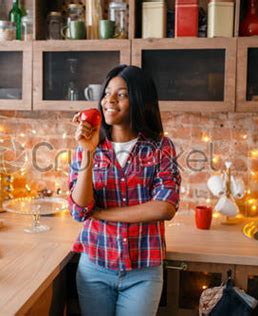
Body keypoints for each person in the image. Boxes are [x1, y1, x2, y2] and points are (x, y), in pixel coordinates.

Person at [68, 65, 181, 316]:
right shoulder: (89, 145)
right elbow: (79, 210)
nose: (110, 100)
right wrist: (87, 151)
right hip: (94, 268)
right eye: (107, 92)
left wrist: (102, 213)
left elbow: (165, 207)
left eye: (122, 94)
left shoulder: (160, 147)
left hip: (143, 272)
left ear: (140, 99)